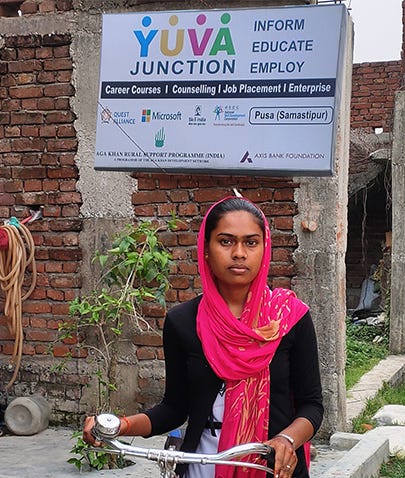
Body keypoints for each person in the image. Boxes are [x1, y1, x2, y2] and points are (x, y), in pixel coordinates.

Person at [83, 196, 324, 478]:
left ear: (264, 249)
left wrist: (287, 440)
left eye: (251, 242)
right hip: (202, 466)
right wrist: (119, 425)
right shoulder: (183, 321)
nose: (239, 253)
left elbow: (312, 405)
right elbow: (174, 408)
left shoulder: (289, 317)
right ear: (206, 250)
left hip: (271, 468)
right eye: (225, 241)